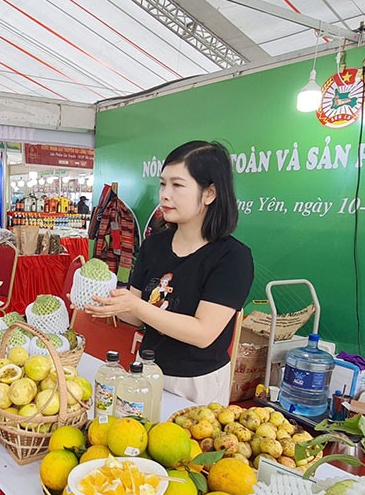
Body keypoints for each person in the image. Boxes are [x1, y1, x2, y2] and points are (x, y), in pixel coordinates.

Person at [84, 141, 254, 405]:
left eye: (177, 185)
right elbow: (135, 314)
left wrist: (135, 305)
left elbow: (202, 333)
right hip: (146, 369)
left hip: (196, 383)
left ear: (209, 193)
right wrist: (108, 303)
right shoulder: (154, 245)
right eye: (163, 184)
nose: (165, 195)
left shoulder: (232, 257)